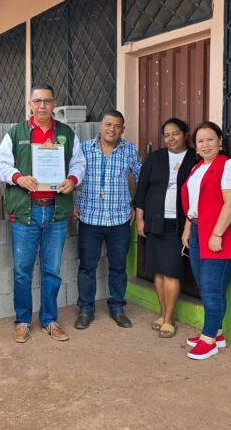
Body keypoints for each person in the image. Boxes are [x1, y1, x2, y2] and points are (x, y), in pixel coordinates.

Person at [0, 83, 86, 343]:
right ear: (30, 104)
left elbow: (79, 163)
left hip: (55, 213)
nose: (42, 105)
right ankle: (22, 321)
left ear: (54, 103)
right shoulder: (16, 133)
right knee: (22, 271)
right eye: (37, 101)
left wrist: (72, 179)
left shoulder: (66, 133)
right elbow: (0, 165)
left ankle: (49, 319)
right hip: (26, 214)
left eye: (47, 101)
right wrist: (18, 178)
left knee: (52, 270)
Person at [74, 110, 141, 330]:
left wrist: (136, 206)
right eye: (108, 124)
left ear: (123, 129)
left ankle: (117, 308)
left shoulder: (130, 150)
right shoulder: (83, 149)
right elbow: (69, 176)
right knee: (87, 267)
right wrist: (73, 202)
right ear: (100, 126)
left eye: (117, 126)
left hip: (119, 219)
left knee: (119, 267)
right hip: (90, 218)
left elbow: (142, 179)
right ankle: (85, 310)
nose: (112, 129)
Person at [180, 121, 231, 360]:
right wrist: (187, 228)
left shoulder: (228, 166)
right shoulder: (197, 168)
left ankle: (208, 340)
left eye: (210, 139)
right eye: (200, 141)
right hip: (197, 231)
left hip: (219, 234)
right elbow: (194, 205)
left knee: (212, 289)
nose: (205, 145)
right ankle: (216, 332)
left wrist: (217, 234)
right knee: (205, 286)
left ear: (220, 142)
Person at [134, 118, 198, 339]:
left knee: (171, 271)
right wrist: (140, 219)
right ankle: (163, 314)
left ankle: (169, 319)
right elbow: (141, 190)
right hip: (154, 222)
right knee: (158, 271)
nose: (171, 139)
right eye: (167, 135)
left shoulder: (195, 158)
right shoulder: (156, 158)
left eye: (175, 134)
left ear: (185, 134)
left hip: (178, 223)